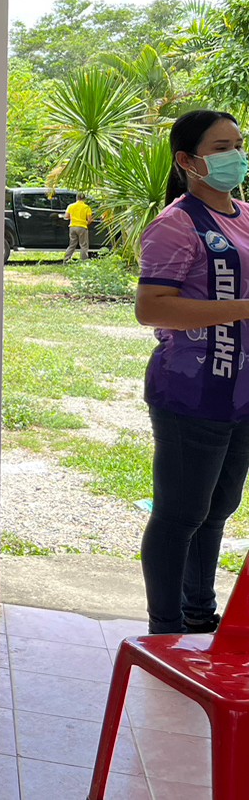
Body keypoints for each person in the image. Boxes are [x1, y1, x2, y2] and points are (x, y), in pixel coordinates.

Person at [136, 109, 249, 635]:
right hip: (191, 392)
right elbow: (152, 308)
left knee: (218, 508)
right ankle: (166, 630)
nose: (236, 156)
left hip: (241, 394)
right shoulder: (176, 224)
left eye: (239, 144)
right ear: (187, 160)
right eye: (222, 148)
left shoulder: (245, 215)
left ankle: (199, 616)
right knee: (180, 514)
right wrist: (244, 309)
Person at [63, 194, 93, 262]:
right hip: (82, 227)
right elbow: (89, 220)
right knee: (83, 245)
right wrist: (86, 223)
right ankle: (84, 261)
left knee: (72, 244)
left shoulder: (70, 206)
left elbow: (66, 216)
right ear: (84, 199)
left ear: (76, 198)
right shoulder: (86, 207)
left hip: (72, 227)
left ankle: (66, 259)